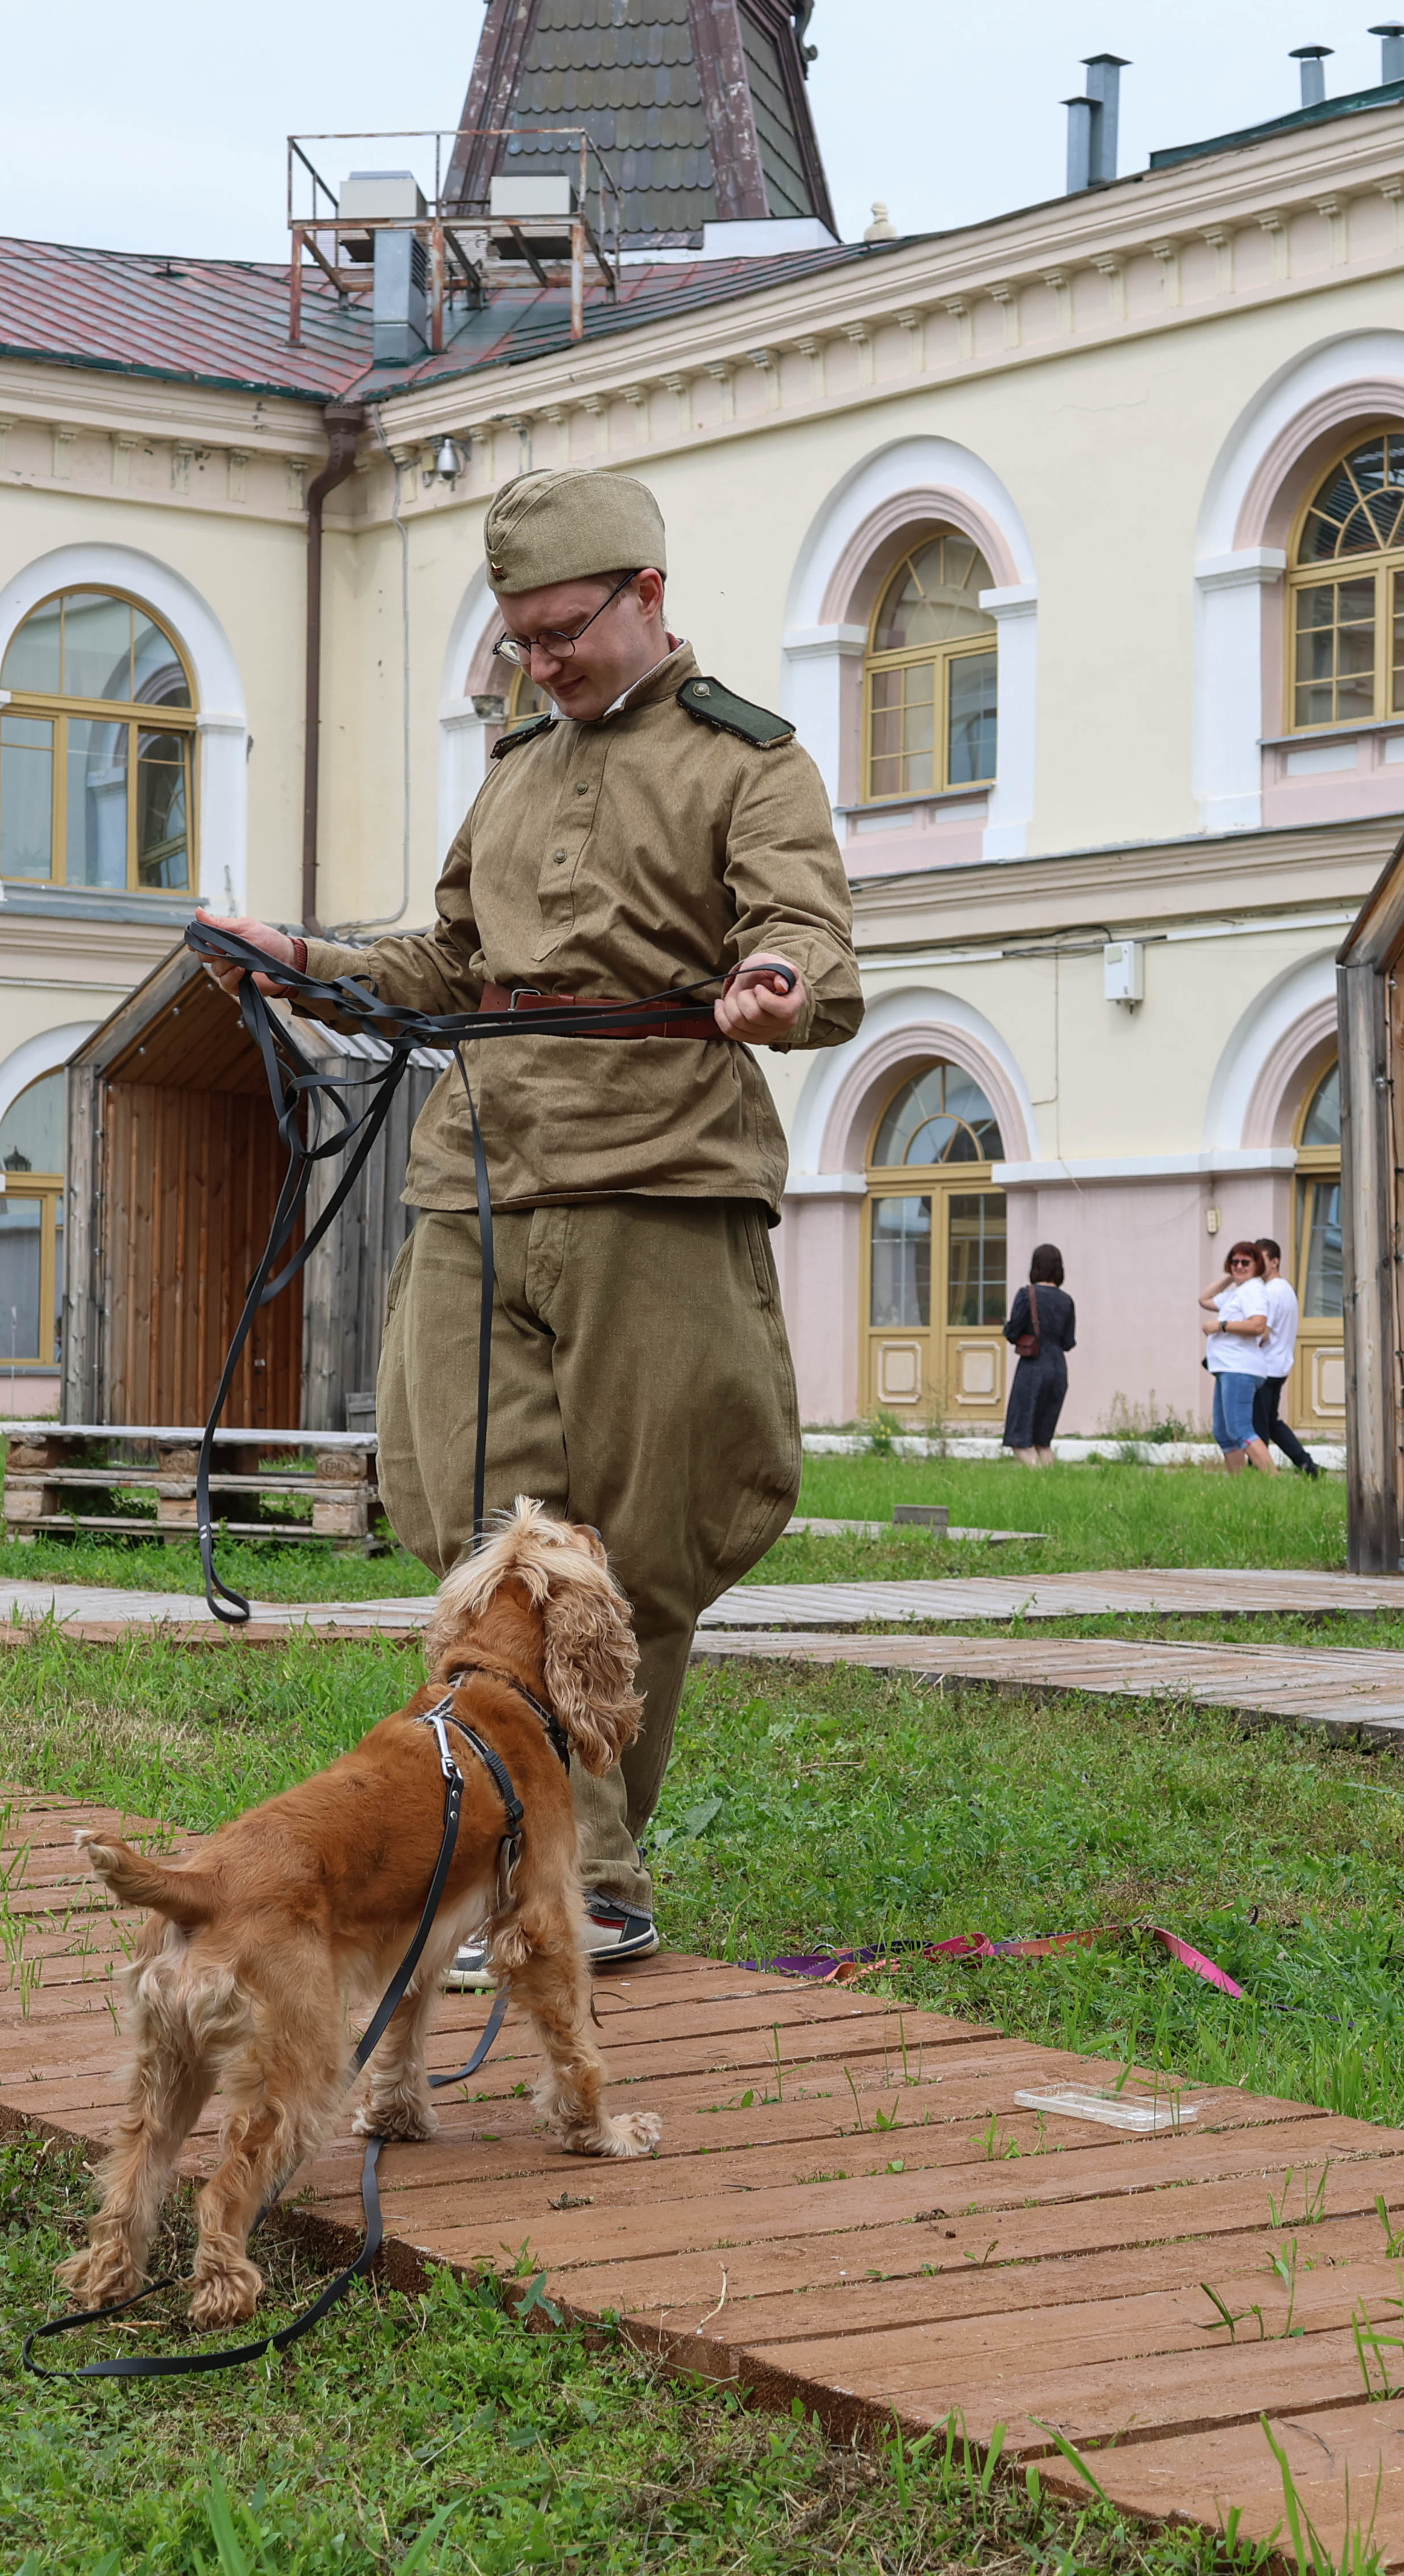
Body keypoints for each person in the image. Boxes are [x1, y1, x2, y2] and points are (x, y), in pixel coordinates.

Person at [196, 467, 859, 1979]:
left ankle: (586, 1878)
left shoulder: (750, 762)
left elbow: (806, 932)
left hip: (659, 1179)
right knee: (486, 1538)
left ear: (646, 597)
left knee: (635, 1545)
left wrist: (774, 982)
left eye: (563, 631)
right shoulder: (508, 766)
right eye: (518, 642)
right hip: (479, 1177)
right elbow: (442, 960)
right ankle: (552, 1872)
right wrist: (298, 957)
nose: (540, 662)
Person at [1236, 1238, 1323, 1480]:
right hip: (1280, 1366)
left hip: (1264, 1367)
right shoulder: (1286, 1289)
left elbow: (1262, 1331)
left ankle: (1260, 1474)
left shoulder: (1270, 1293)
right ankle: (1308, 1466)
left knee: (1258, 1426)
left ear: (1275, 1262)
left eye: (1261, 1261)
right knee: (1271, 1422)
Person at [998, 1241, 1074, 1464]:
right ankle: (1051, 1484)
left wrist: (1008, 1327)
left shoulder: (1027, 1294)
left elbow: (1013, 1334)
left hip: (1033, 1370)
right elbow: (1068, 1342)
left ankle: (1038, 1480)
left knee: (1020, 1439)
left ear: (1035, 1266)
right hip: (1059, 1370)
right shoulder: (1067, 1301)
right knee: (1043, 1441)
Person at [1199, 1241, 1261, 1473]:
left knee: (1240, 1430)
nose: (1239, 1266)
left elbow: (1258, 1325)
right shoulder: (1239, 1292)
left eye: (1246, 1262)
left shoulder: (1254, 1291)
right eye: (1235, 1262)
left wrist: (1221, 1326)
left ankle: (1273, 1479)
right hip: (1227, 1368)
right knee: (1224, 1433)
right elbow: (1204, 1299)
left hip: (1240, 1368)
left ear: (1258, 1265)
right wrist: (1230, 1277)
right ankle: (1240, 1486)